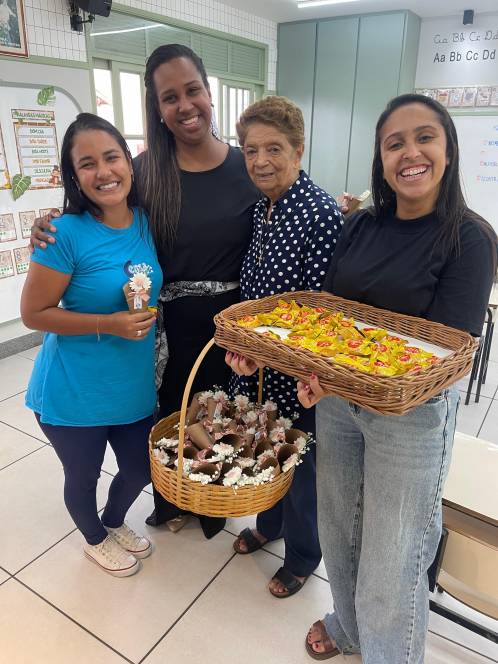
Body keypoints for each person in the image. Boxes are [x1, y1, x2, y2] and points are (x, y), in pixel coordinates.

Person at [296, 93, 498, 661]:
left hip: (412, 417)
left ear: (448, 150)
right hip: (338, 403)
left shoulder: (470, 238)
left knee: (394, 555)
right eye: (394, 143)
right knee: (339, 529)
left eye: (425, 138)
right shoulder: (361, 225)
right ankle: (349, 627)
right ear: (381, 160)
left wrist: (343, 374)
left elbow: (442, 357)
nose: (410, 153)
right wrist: (312, 370)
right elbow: (334, 318)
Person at [30, 44, 260, 539]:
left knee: (218, 415)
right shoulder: (146, 169)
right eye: (169, 97)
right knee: (169, 418)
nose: (185, 105)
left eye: (192, 90)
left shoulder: (246, 168)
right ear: (156, 108)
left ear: (209, 91)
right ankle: (171, 502)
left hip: (227, 323)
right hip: (161, 324)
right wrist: (49, 224)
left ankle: (214, 502)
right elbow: (100, 210)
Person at [21, 113, 162, 577]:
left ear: (129, 161)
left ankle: (114, 521)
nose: (103, 172)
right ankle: (95, 538)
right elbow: (34, 314)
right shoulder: (62, 233)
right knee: (82, 476)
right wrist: (109, 323)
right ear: (73, 176)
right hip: (74, 390)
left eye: (111, 157)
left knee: (140, 469)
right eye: (87, 164)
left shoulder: (146, 221)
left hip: (132, 386)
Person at [226, 96, 343, 597]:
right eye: (251, 150)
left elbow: (318, 314)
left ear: (298, 150)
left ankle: (302, 555)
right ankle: (268, 524)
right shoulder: (262, 210)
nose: (260, 161)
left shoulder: (320, 214)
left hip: (300, 377)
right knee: (266, 450)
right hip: (259, 367)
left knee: (298, 463)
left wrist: (269, 354)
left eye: (273, 148)